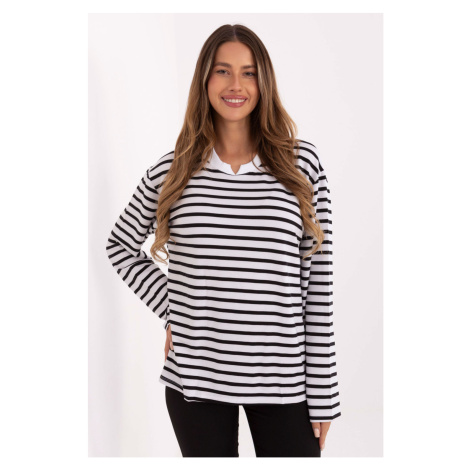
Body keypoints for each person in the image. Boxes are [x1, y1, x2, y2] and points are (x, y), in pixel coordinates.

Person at [106, 23, 341, 457]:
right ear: (205, 79)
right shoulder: (172, 171)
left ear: (264, 82)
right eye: (223, 71)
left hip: (285, 383)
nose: (236, 85)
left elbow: (318, 286)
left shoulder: (302, 166)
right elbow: (120, 246)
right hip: (195, 381)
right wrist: (175, 309)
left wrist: (323, 391)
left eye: (249, 73)